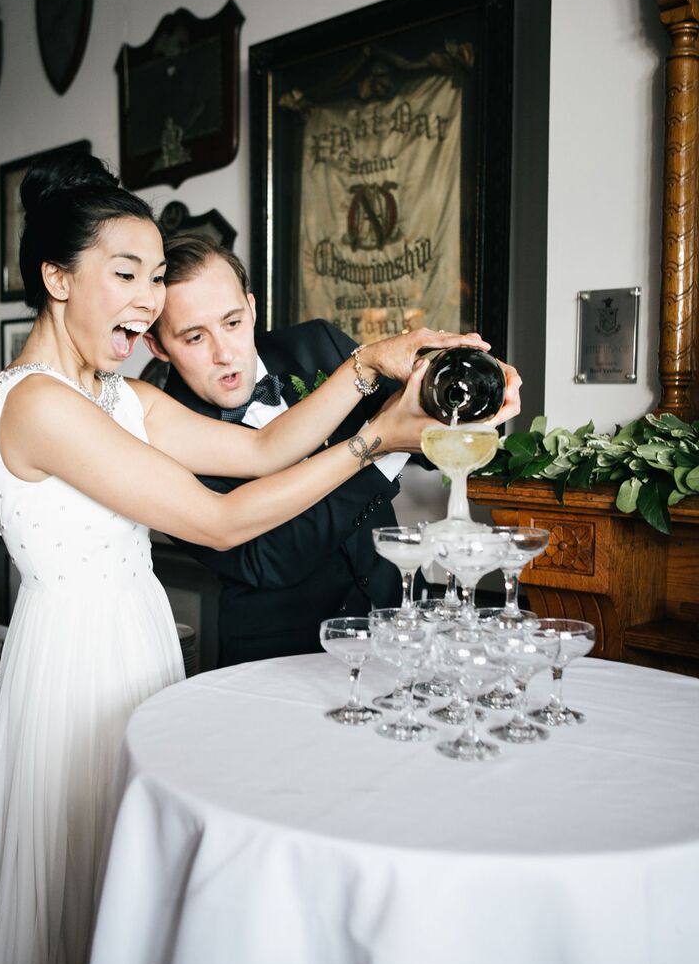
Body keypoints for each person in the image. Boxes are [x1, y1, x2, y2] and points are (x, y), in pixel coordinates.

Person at [0, 152, 463, 964]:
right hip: (75, 668)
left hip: (138, 646)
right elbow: (224, 522)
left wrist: (366, 367)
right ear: (56, 278)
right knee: (83, 886)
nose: (147, 301)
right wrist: (374, 440)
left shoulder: (118, 395)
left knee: (137, 889)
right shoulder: (36, 405)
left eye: (154, 278)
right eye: (126, 275)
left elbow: (262, 449)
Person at [142, 233, 522, 665]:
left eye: (232, 323)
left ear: (250, 307)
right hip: (281, 653)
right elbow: (268, 559)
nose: (224, 353)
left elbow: (419, 425)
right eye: (194, 338)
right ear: (157, 346)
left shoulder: (317, 344)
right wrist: (385, 447)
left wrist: (473, 393)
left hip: (399, 617)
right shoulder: (161, 432)